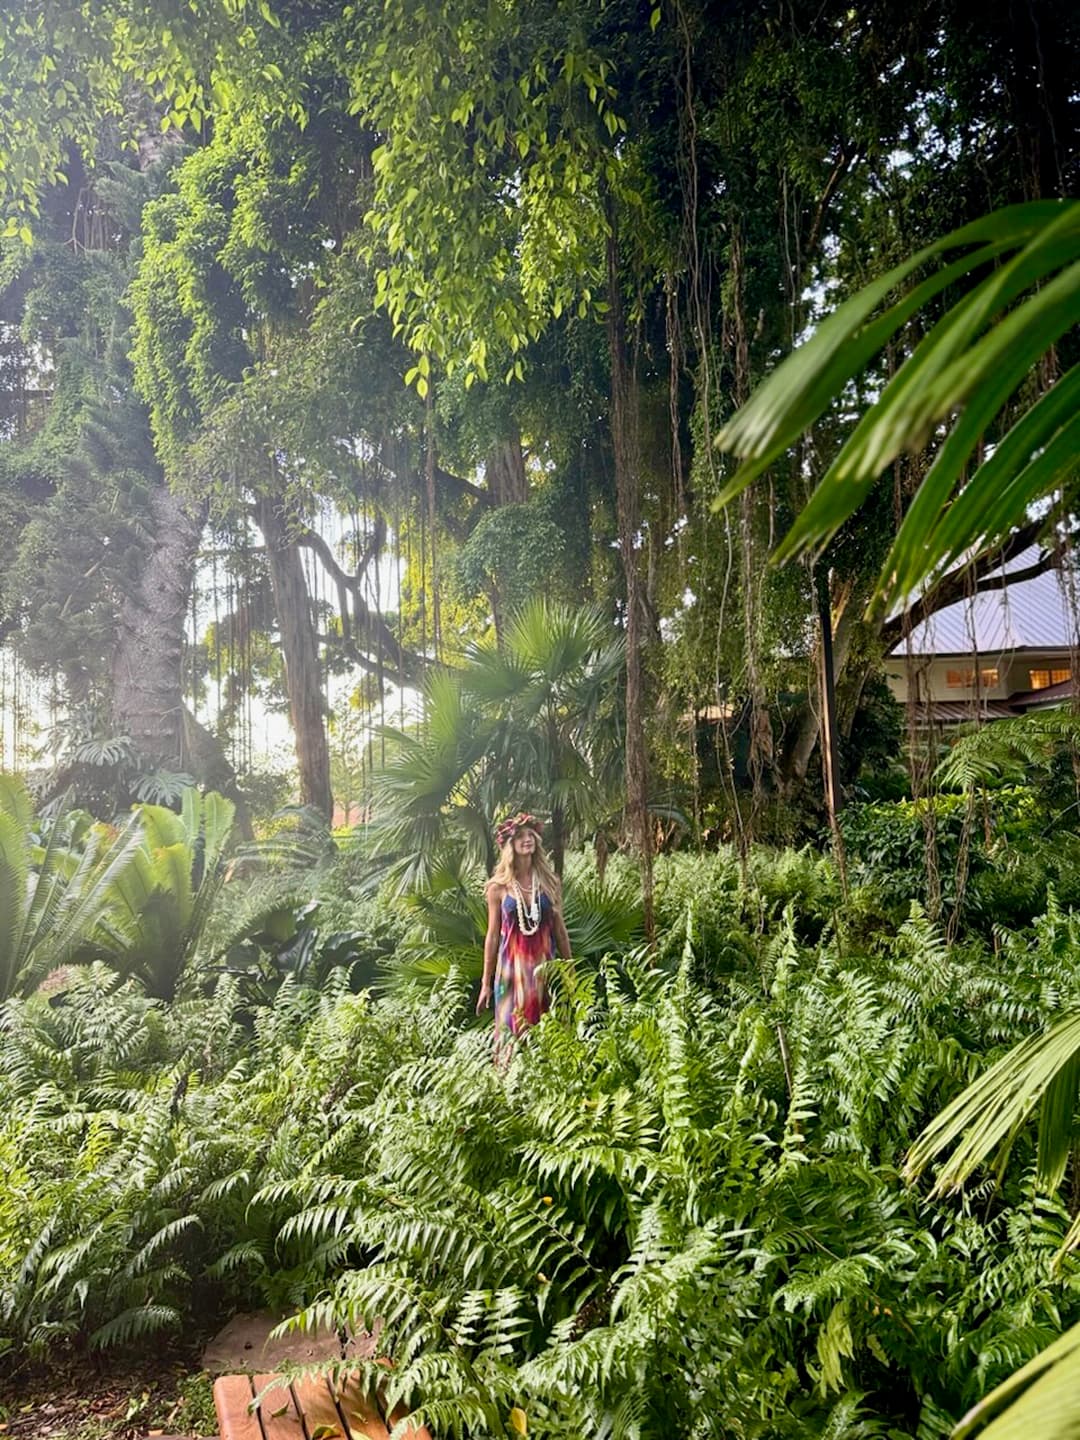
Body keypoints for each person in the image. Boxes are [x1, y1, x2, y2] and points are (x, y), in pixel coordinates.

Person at [477, 812, 571, 1050]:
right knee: (511, 1037)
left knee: (549, 1037)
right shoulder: (498, 888)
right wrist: (485, 983)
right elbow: (492, 936)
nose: (527, 839)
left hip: (545, 971)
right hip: (511, 972)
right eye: (520, 836)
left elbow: (560, 930)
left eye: (531, 834)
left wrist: (570, 971)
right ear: (510, 845)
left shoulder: (550, 882)